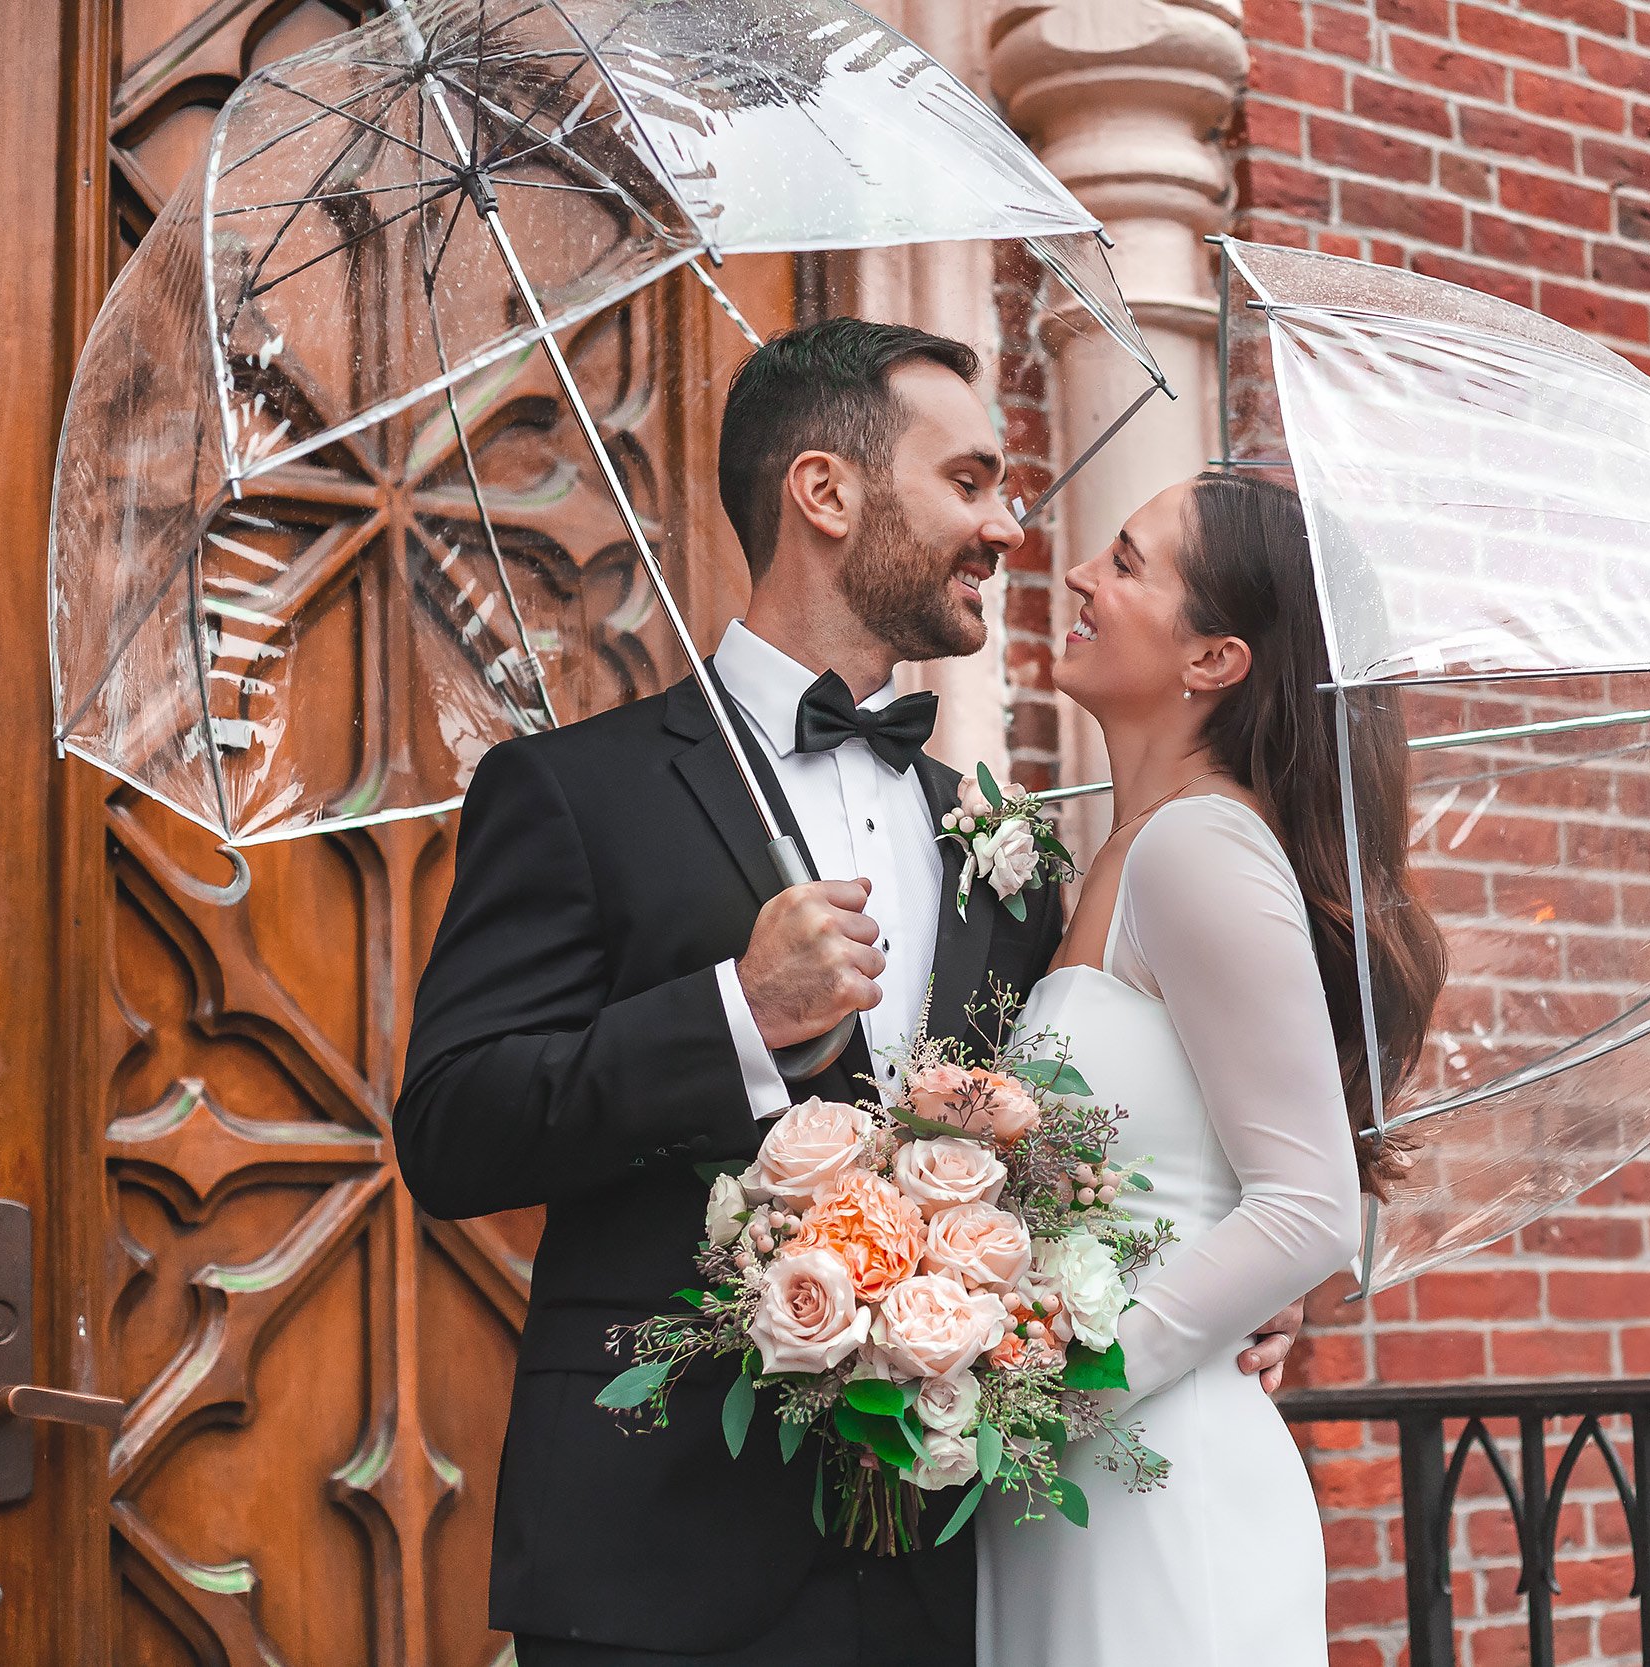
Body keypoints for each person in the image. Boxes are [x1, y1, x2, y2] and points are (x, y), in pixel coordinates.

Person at [392, 318, 1298, 1667]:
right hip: (656, 1559)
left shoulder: (997, 838)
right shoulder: (575, 793)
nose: (1007, 525)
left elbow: (1061, 1140)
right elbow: (452, 1129)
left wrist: (1207, 1275)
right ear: (827, 492)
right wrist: (732, 1012)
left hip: (950, 1555)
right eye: (972, 480)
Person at [976, 471, 1444, 1666]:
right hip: (1067, 1488)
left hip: (1156, 1483)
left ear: (1215, 660)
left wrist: (1055, 1392)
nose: (1079, 573)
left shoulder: (1200, 847)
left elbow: (1307, 1205)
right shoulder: (1118, 857)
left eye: (1127, 563)